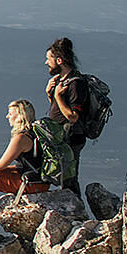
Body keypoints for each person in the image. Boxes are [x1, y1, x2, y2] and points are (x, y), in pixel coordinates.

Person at [45, 36, 89, 195]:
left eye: (48, 59)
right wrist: (50, 95)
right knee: (61, 175)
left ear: (59, 60)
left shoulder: (76, 83)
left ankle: (75, 211)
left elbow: (73, 116)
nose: (46, 63)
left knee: (69, 178)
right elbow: (59, 111)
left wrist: (57, 96)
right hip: (61, 135)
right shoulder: (61, 81)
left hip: (71, 136)